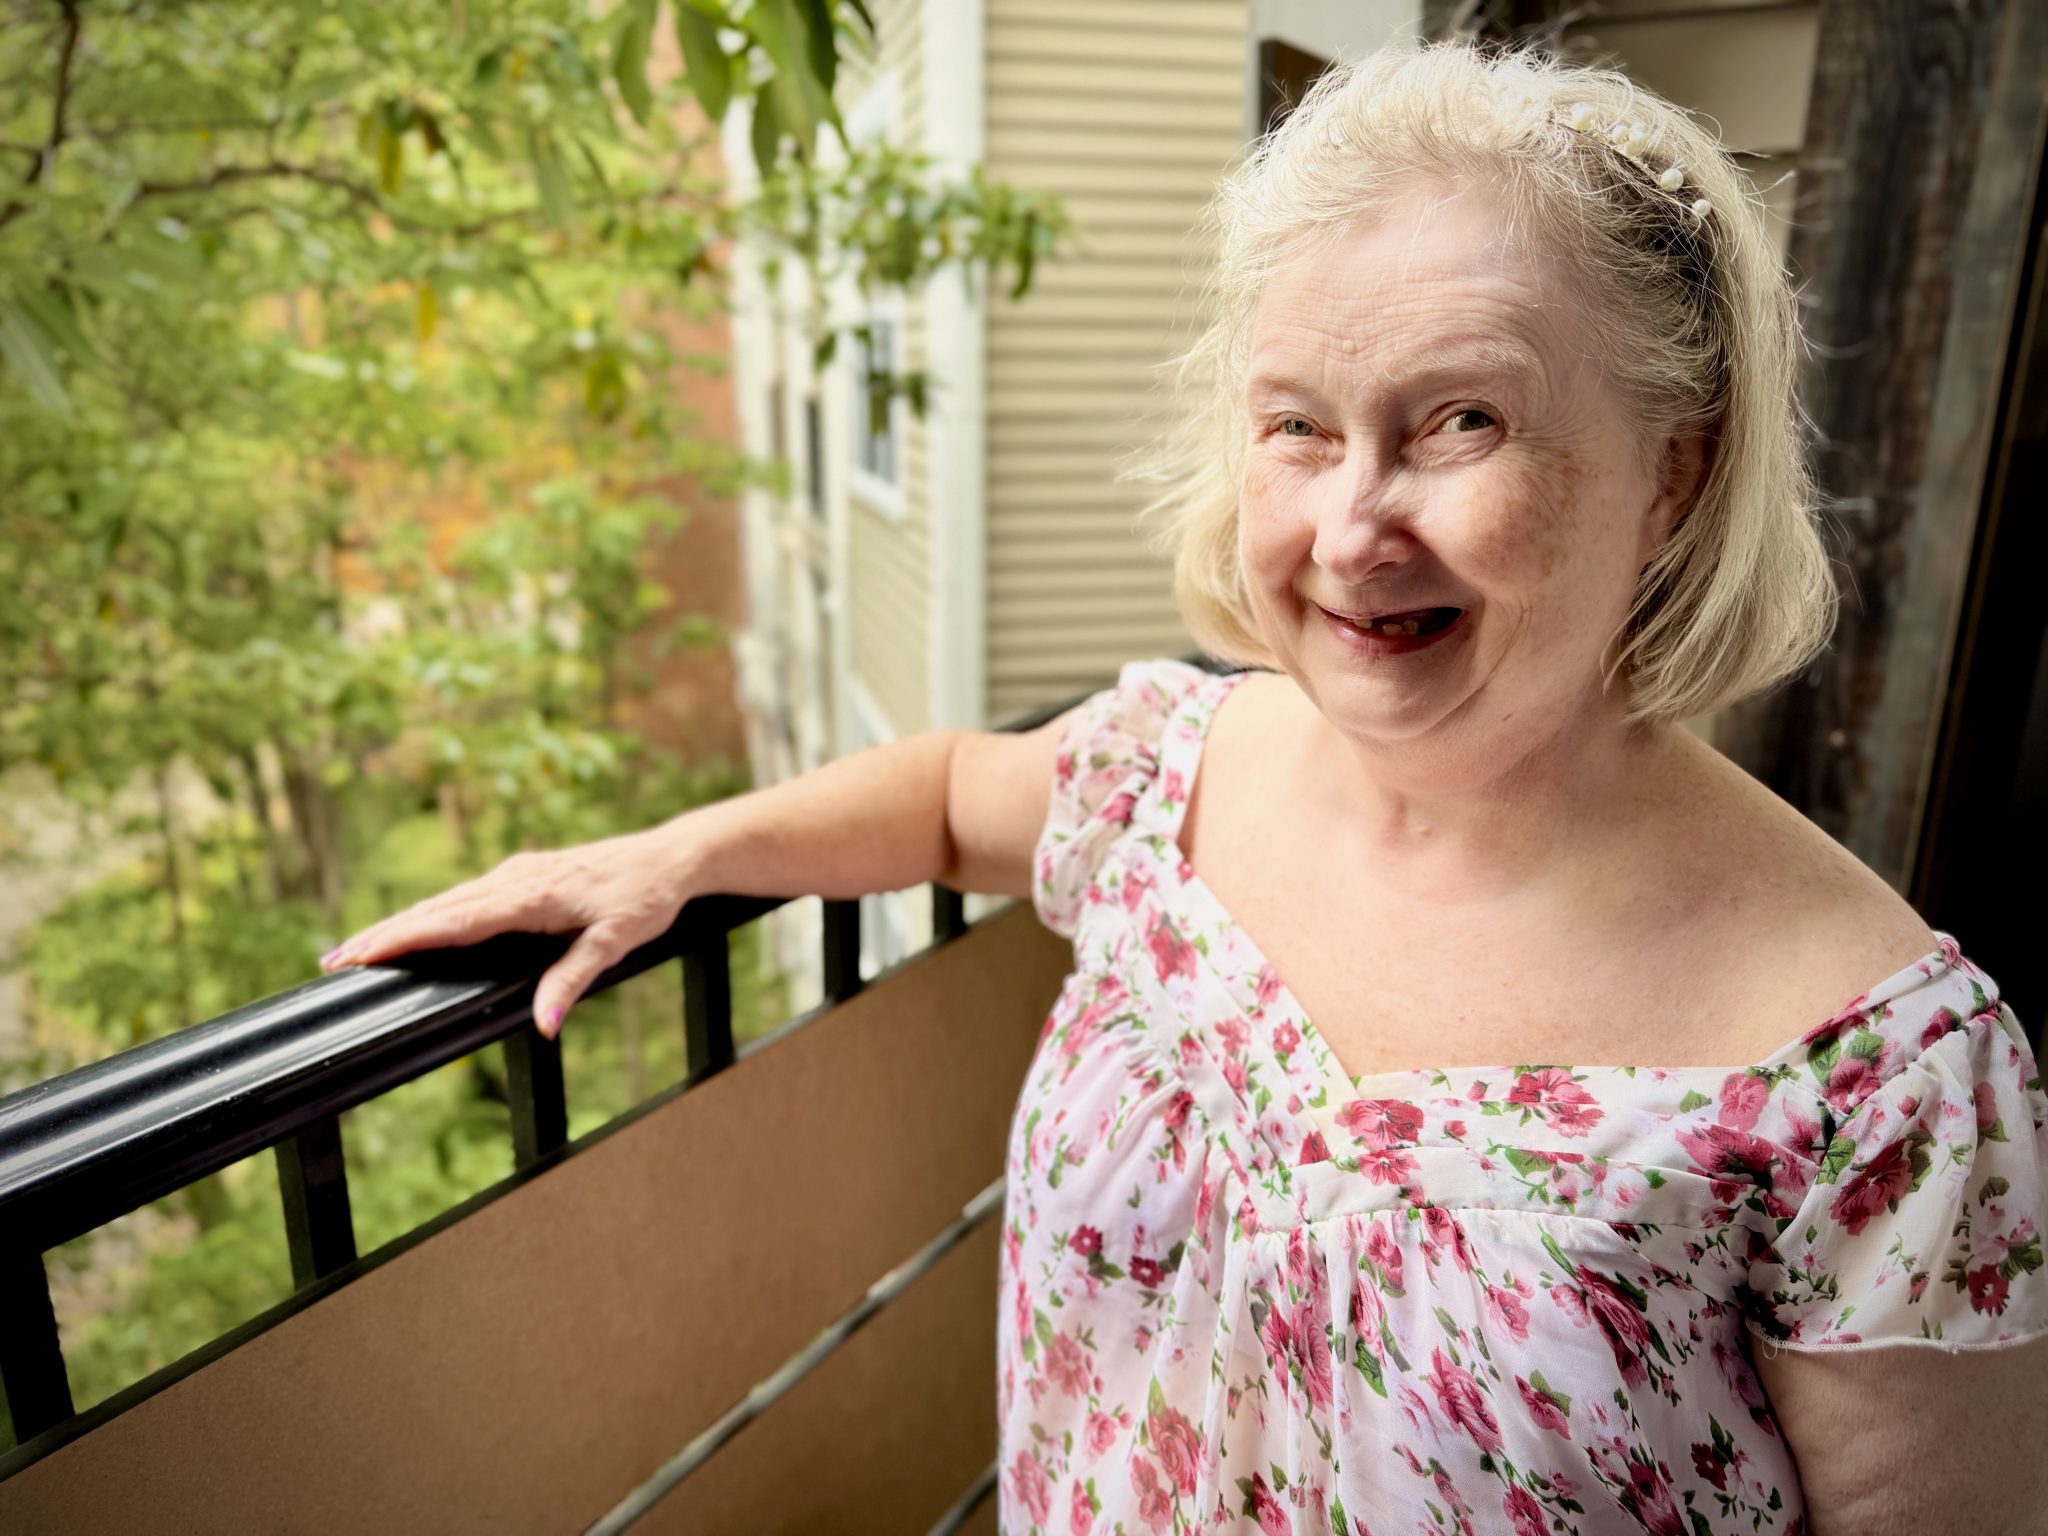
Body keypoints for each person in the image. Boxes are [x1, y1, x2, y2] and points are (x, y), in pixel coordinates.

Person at [321, 42, 2048, 1536]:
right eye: (1299, 426)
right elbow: (938, 796)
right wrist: (682, 850)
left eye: (1459, 423)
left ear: (1675, 472)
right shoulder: (1170, 776)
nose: (1351, 526)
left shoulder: (1880, 1083)